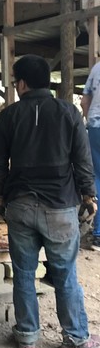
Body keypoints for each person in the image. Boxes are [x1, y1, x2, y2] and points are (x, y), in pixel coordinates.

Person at [0, 54, 99, 348]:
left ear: (22, 83)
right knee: (65, 274)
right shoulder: (68, 113)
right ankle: (75, 337)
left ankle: (26, 336)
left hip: (20, 205)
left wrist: (0, 196)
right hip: (61, 208)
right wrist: (89, 196)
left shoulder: (8, 116)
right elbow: (83, 160)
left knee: (24, 272)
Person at [80, 61, 100, 251]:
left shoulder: (96, 68)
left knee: (98, 178)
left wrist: (89, 121)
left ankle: (98, 235)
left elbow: (84, 101)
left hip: (96, 127)